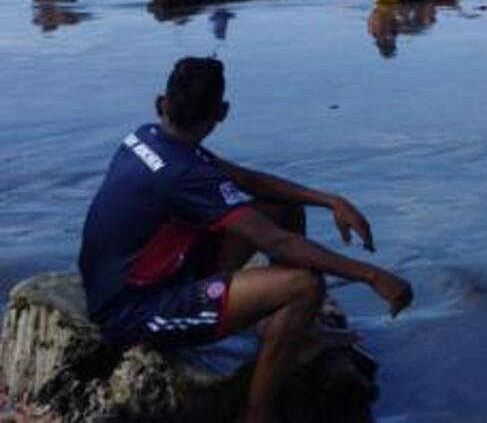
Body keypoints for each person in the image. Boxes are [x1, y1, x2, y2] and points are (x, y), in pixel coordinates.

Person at [78, 58, 412, 423]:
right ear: (222, 112)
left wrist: (328, 199)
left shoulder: (149, 137)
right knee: (303, 285)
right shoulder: (184, 173)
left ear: (161, 103)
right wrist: (374, 276)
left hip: (144, 280)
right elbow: (277, 243)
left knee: (280, 208)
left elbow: (245, 181)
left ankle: (294, 332)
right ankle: (256, 414)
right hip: (132, 314)